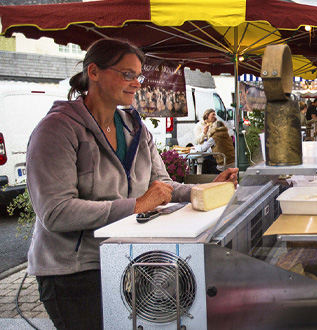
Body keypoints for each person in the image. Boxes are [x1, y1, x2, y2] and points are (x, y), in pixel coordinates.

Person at [25, 38, 238, 330]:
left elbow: (162, 185)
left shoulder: (134, 127)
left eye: (138, 76)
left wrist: (207, 189)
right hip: (73, 273)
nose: (136, 83)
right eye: (127, 74)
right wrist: (136, 206)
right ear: (94, 72)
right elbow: (56, 212)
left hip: (128, 261)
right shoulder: (56, 130)